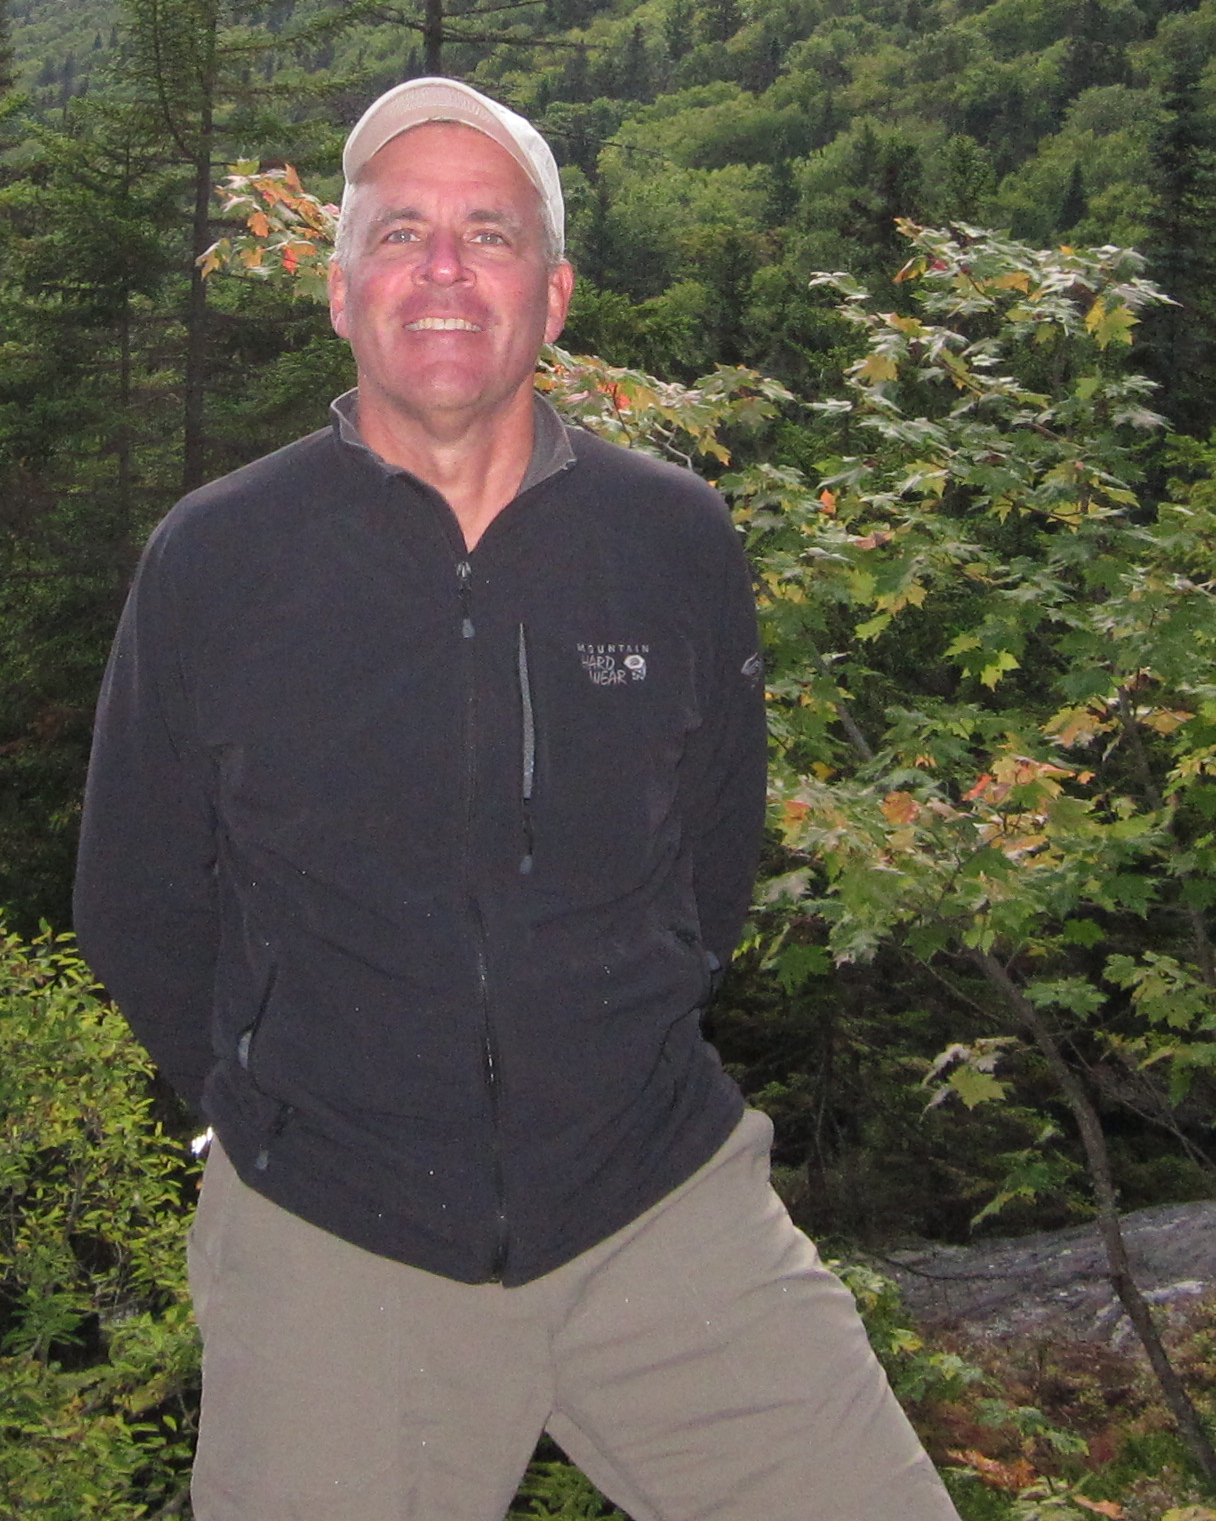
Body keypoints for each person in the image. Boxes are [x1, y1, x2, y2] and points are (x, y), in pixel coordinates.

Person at [75, 76, 956, 1521]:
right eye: (400, 232)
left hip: (661, 1212)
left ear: (551, 297)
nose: (443, 268)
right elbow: (136, 897)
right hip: (336, 1244)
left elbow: (711, 868)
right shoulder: (218, 559)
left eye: (488, 235)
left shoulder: (670, 541)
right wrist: (263, 1122)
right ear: (341, 291)